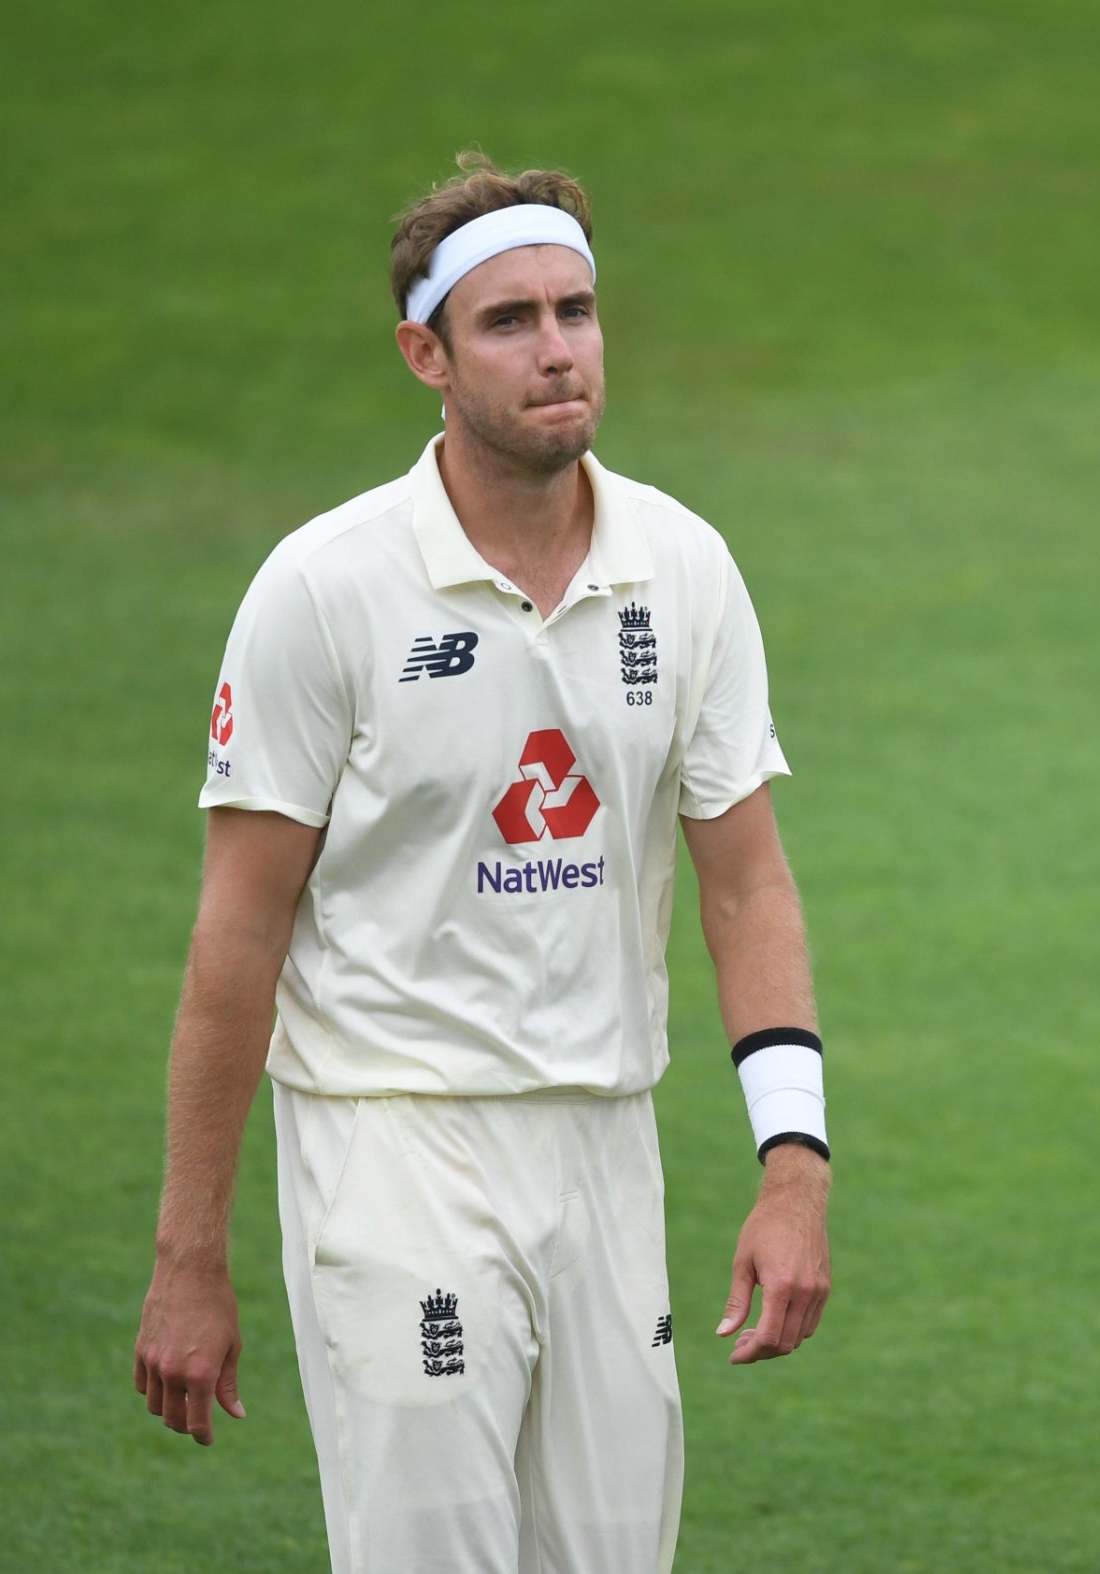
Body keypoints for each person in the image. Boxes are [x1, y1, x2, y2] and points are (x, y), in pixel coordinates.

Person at [131, 152, 833, 1573]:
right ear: (425, 355)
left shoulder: (684, 567)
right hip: (389, 1138)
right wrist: (186, 1255)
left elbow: (747, 879)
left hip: (602, 1139)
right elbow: (238, 939)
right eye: (507, 321)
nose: (558, 348)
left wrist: (795, 1161)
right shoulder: (323, 590)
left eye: (575, 310)